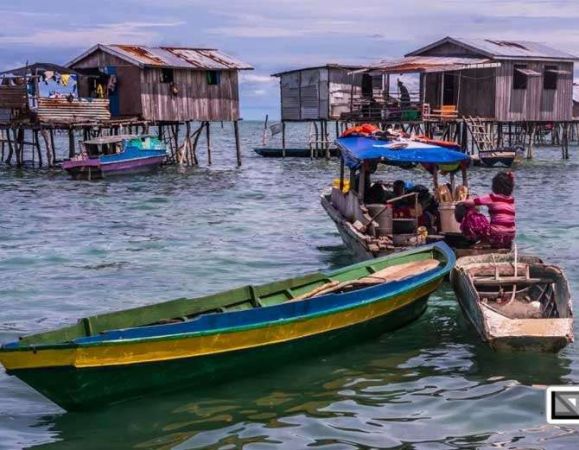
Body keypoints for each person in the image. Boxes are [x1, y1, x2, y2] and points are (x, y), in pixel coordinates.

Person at [457, 172, 515, 248]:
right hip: (510, 236)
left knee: (474, 216)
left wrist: (462, 202)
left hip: (496, 236)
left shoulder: (492, 197)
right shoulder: (511, 199)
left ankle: (484, 241)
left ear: (495, 186)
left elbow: (470, 202)